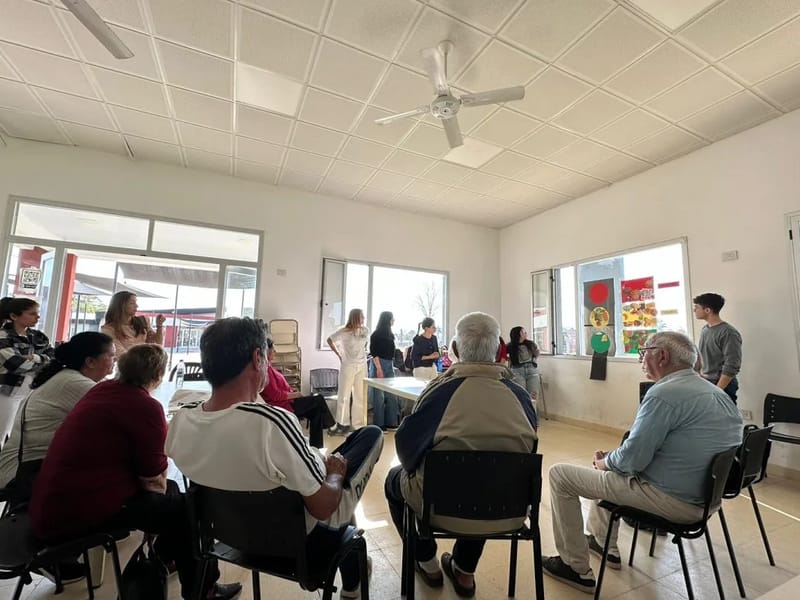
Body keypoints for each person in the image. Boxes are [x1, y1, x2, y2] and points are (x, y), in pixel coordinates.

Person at [167, 317, 384, 599]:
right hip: (297, 542)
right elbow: (322, 507)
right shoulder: (272, 424)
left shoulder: (181, 422)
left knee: (337, 457)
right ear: (258, 358)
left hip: (230, 537)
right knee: (370, 436)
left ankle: (353, 578)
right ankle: (353, 581)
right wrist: (334, 474)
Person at [29, 344, 240, 600]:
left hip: (55, 502)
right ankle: (205, 590)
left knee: (178, 499)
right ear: (159, 374)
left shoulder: (103, 391)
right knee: (191, 511)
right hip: (81, 511)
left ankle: (172, 555)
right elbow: (153, 480)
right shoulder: (143, 406)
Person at [542, 332, 742, 594]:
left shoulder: (664, 394)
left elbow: (631, 461)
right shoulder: (717, 393)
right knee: (610, 469)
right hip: (706, 500)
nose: (641, 358)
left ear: (662, 356)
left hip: (673, 500)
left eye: (644, 351)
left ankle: (574, 567)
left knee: (561, 475)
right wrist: (612, 462)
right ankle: (604, 543)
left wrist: (606, 462)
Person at [385, 312, 538, 597]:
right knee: (490, 476)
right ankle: (464, 570)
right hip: (509, 511)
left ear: (454, 350)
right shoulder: (522, 398)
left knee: (394, 479)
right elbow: (528, 452)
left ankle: (427, 561)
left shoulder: (440, 393)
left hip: (440, 509)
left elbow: (407, 455)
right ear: (497, 350)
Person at [0, 332, 115, 503]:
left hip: (27, 468)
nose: (116, 360)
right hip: (22, 474)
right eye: (111, 356)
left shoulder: (67, 376)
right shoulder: (75, 383)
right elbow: (125, 413)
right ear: (90, 361)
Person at [260, 337, 335, 448]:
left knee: (316, 412)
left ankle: (317, 448)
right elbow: (275, 395)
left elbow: (281, 389)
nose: (275, 352)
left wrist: (292, 392)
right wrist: (296, 394)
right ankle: (329, 424)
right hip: (285, 406)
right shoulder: (265, 370)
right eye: (273, 350)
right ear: (267, 352)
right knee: (318, 399)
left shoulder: (270, 367)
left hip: (290, 401)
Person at [0, 297, 54, 442]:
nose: (37, 317)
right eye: (31, 313)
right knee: (2, 432)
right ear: (13, 316)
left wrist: (36, 358)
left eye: (37, 313)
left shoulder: (38, 336)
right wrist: (42, 360)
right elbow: (16, 365)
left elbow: (53, 358)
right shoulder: (3, 336)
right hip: (7, 390)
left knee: (18, 436)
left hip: (33, 391)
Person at [693, 292, 742, 403]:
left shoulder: (728, 332)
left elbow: (732, 364)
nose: (694, 310)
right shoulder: (705, 329)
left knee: (725, 418)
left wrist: (718, 389)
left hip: (722, 385)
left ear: (707, 310)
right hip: (707, 381)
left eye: (697, 307)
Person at [327, 308, 368, 435]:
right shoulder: (343, 331)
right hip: (348, 365)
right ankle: (342, 423)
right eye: (361, 316)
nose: (363, 319)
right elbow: (330, 340)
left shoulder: (365, 330)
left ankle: (358, 425)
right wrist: (339, 355)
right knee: (344, 395)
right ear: (355, 317)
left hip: (361, 366)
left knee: (360, 395)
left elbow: (365, 346)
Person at [101, 291, 165, 359]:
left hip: (145, 364)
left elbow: (157, 345)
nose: (137, 306)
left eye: (136, 302)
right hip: (127, 366)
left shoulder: (143, 321)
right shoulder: (108, 329)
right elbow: (120, 354)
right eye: (132, 303)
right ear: (121, 306)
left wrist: (159, 326)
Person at [368, 311, 399, 430]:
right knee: (379, 396)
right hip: (378, 364)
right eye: (392, 318)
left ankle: (391, 422)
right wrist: (379, 369)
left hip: (389, 364)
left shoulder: (390, 335)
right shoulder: (375, 335)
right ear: (387, 320)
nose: (394, 320)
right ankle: (379, 424)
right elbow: (374, 353)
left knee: (391, 394)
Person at [507, 326, 541, 402]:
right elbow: (503, 354)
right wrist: (509, 359)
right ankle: (522, 414)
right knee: (520, 395)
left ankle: (532, 413)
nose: (525, 333)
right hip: (517, 371)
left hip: (532, 370)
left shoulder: (530, 344)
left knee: (533, 396)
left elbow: (537, 352)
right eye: (523, 332)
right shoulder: (510, 346)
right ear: (518, 334)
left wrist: (534, 359)